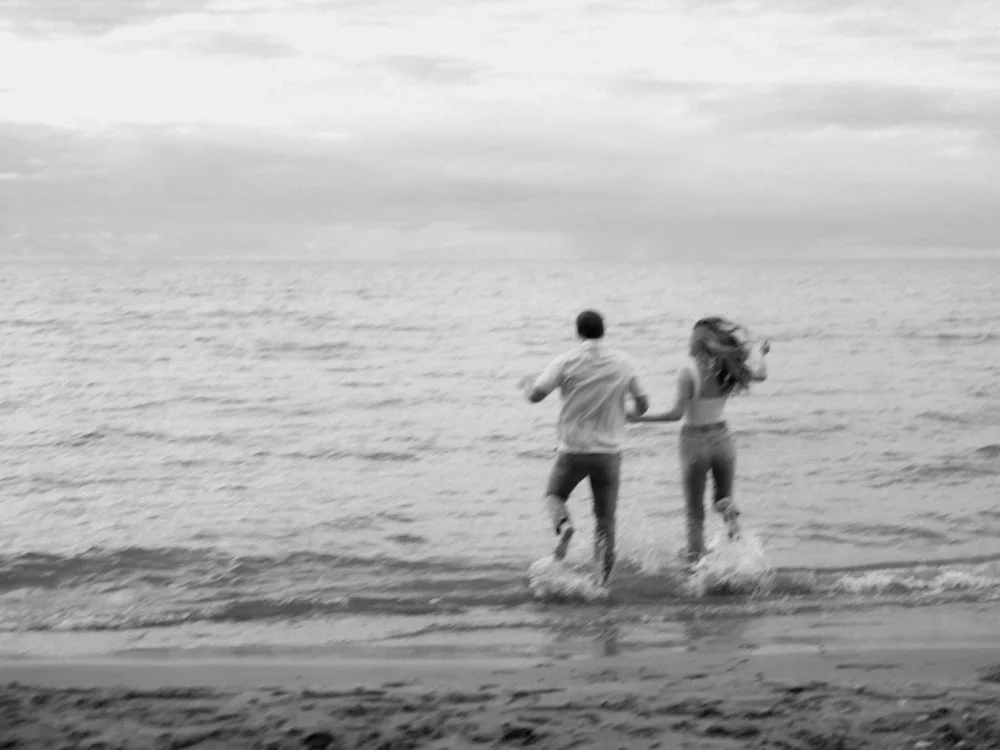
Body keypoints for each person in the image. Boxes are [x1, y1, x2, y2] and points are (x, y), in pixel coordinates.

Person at [518, 310, 649, 586]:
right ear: (603, 331)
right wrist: (629, 412)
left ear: (578, 333)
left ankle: (564, 526)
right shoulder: (623, 363)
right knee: (605, 519)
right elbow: (643, 403)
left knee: (554, 495)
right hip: (609, 454)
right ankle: (601, 584)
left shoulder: (566, 361)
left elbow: (535, 396)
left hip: (573, 451)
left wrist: (527, 383)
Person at [628, 316, 769, 566]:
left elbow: (675, 415)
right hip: (723, 439)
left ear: (698, 342)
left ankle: (695, 559)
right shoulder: (728, 368)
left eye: (692, 338)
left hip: (694, 441)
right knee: (721, 498)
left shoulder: (688, 371)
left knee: (695, 510)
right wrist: (760, 354)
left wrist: (639, 418)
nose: (689, 343)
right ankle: (729, 514)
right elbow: (761, 374)